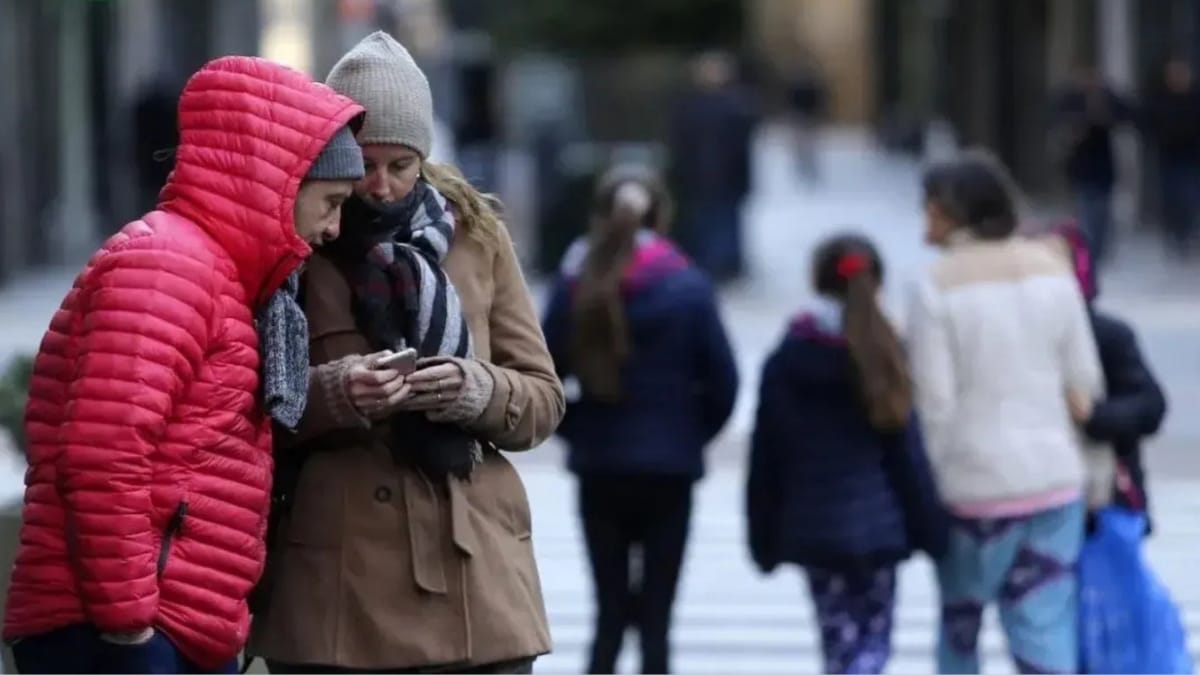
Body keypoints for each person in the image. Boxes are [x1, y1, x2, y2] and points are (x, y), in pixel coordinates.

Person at [3, 56, 366, 674]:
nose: (333, 227)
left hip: (174, 624)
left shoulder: (225, 278)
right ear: (280, 181)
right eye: (330, 202)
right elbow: (103, 453)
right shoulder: (166, 267)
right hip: (120, 630)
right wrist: (128, 626)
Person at [246, 32, 565, 674]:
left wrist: (477, 390)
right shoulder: (297, 241)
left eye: (402, 165)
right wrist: (338, 393)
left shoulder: (477, 236)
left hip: (475, 573)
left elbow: (543, 399)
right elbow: (243, 410)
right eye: (364, 164)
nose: (383, 186)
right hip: (341, 584)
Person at [908, 150, 1104, 674]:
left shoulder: (935, 284)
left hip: (975, 486)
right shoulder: (1051, 270)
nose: (923, 218)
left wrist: (931, 481)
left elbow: (935, 402)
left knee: (961, 627)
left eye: (928, 207)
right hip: (1054, 479)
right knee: (1043, 625)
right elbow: (1084, 380)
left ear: (951, 211)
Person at [541, 164, 737, 674]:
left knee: (608, 612)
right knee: (657, 618)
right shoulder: (688, 284)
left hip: (601, 462)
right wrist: (691, 433)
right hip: (669, 469)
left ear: (599, 216)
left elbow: (544, 372)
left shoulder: (577, 283)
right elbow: (724, 382)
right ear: (662, 213)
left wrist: (576, 428)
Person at [746, 233, 945, 674]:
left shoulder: (790, 356)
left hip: (816, 527)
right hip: (881, 527)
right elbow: (907, 453)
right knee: (875, 639)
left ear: (817, 281)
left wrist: (763, 537)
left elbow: (767, 457)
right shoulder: (886, 352)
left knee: (838, 639)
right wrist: (930, 528)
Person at [1041, 221, 1167, 530]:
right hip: (1039, 492)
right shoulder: (1016, 335)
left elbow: (1151, 407)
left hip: (1107, 498)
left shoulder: (1107, 335)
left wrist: (1094, 414)